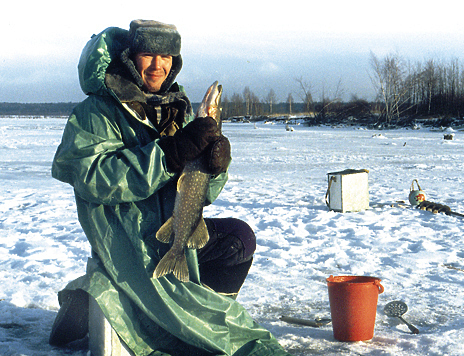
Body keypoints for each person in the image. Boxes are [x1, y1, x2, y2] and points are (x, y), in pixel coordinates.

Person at [49, 20, 290, 356]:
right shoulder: (96, 113)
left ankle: (189, 310)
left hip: (171, 232)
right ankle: (107, 303)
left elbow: (198, 193)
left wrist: (215, 168)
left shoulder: (175, 109)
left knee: (239, 239)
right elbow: (94, 178)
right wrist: (168, 155)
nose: (158, 65)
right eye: (148, 54)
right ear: (131, 57)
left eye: (166, 56)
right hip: (128, 241)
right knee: (210, 330)